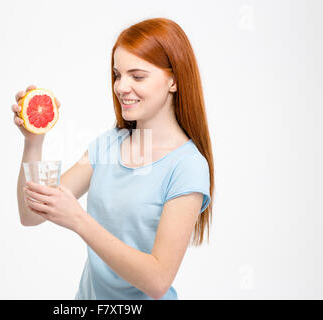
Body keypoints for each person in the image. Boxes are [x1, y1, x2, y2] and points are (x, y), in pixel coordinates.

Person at [11, 17, 214, 300]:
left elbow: (157, 281)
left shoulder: (188, 167)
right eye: (118, 75)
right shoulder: (108, 145)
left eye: (137, 76)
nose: (121, 87)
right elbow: (31, 214)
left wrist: (80, 221)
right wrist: (33, 141)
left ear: (174, 81)